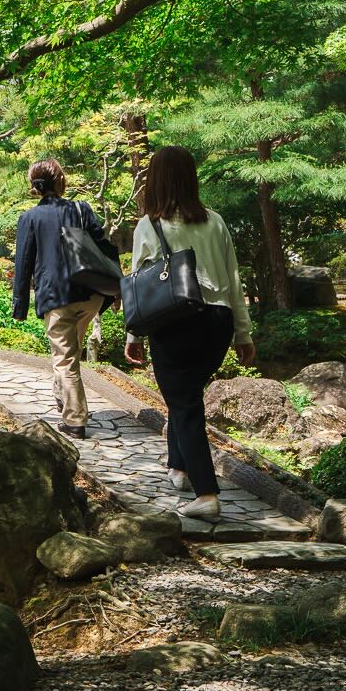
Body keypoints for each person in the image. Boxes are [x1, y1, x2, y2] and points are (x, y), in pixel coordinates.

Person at [122, 146, 256, 521]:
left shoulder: (150, 224)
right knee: (185, 398)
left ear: (156, 179)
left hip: (175, 321)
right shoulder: (215, 221)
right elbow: (233, 279)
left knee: (184, 405)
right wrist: (243, 333)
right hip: (217, 322)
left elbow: (139, 286)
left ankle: (206, 492)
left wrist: (133, 336)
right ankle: (178, 468)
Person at [10, 158, 107, 439]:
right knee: (70, 352)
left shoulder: (30, 218)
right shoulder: (81, 209)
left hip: (56, 297)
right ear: (61, 181)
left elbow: (24, 265)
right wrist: (118, 288)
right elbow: (105, 247)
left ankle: (75, 420)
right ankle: (61, 396)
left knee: (64, 359)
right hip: (90, 295)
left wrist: (20, 305)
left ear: (34, 187)